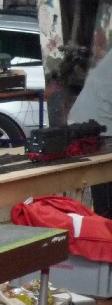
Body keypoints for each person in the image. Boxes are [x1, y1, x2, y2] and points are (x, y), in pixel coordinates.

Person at [68, 50, 112, 217]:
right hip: (98, 123)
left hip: (90, 119)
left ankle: (103, 219)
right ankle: (104, 221)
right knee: (104, 174)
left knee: (101, 177)